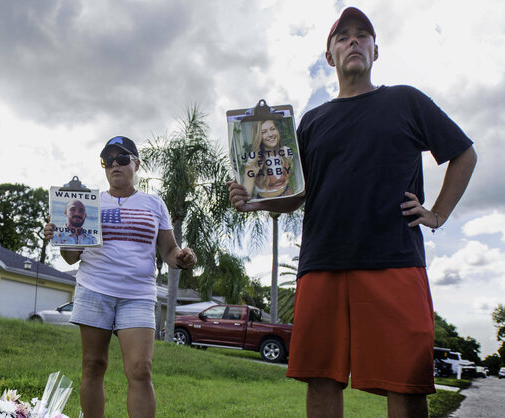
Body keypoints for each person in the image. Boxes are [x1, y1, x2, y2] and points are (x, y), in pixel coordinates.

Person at [228, 7, 476, 417]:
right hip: (322, 261)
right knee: (321, 378)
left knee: (407, 381)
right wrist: (255, 200)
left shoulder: (406, 100)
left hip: (393, 261)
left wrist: (437, 213)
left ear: (376, 50)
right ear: (330, 56)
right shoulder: (311, 121)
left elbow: (463, 153)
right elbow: (296, 195)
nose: (354, 41)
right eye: (343, 37)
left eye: (363, 35)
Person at [43, 135, 197, 418]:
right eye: (108, 160)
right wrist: (61, 238)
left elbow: (169, 251)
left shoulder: (154, 204)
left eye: (122, 159)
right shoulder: (89, 203)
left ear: (136, 164)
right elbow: (71, 257)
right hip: (94, 290)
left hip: (137, 295)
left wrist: (182, 258)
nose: (115, 165)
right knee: (93, 365)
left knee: (140, 369)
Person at [241, 119, 295, 199]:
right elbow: (246, 194)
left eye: (272, 129)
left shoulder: (285, 151)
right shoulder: (254, 158)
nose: (270, 134)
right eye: (264, 132)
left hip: (287, 197)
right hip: (265, 204)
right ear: (259, 137)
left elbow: (291, 176)